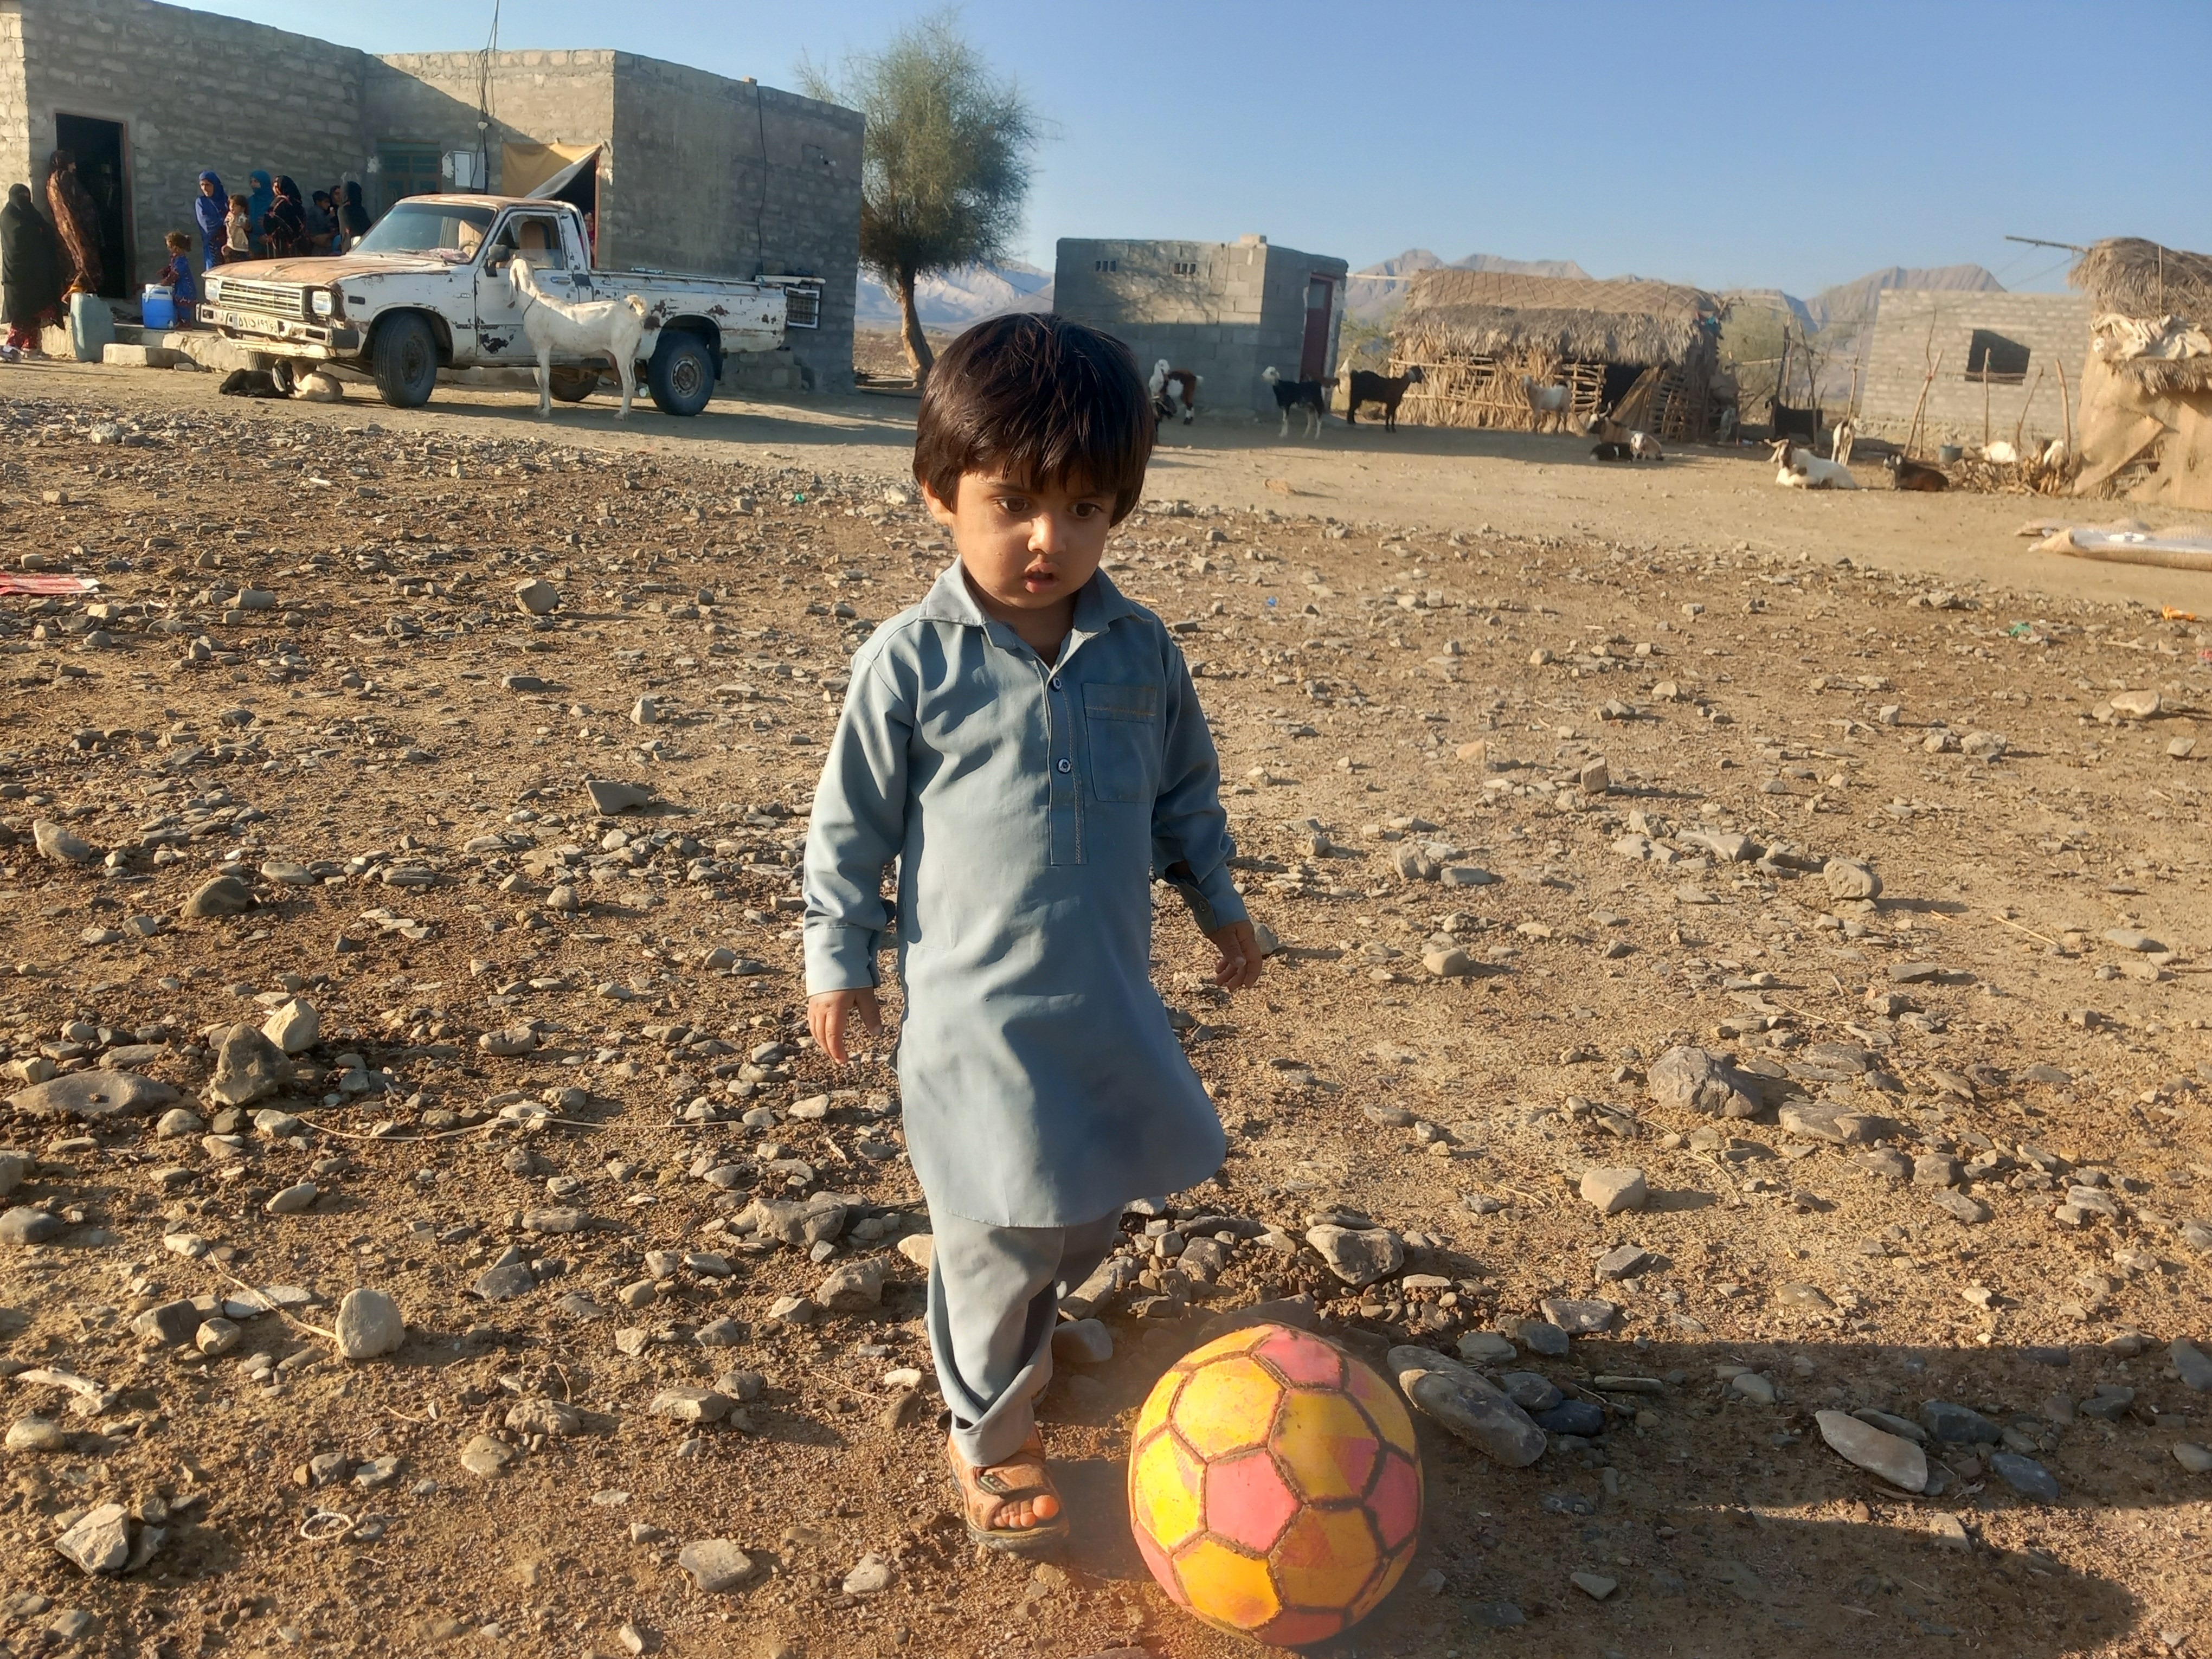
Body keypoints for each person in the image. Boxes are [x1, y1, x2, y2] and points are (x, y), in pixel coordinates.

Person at [802, 313, 1263, 1553]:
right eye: (1009, 503)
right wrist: (836, 959)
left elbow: (1182, 799)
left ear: (1118, 510)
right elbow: (847, 830)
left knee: (1077, 1211)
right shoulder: (908, 666)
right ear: (935, 492)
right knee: (994, 1228)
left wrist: (1218, 906)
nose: (1045, 540)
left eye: (1082, 510)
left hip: (1103, 1004)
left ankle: (1015, 1331)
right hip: (975, 1024)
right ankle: (990, 1437)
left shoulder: (1136, 653)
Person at [1, 182, 62, 355]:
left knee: (35, 313)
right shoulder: (8, 216)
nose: (25, 201)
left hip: (36, 275)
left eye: (27, 197)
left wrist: (42, 232)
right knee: (22, 315)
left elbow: (46, 231)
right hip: (17, 276)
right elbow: (19, 239)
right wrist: (38, 233)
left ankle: (32, 348)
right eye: (21, 197)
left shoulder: (31, 214)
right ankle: (10, 348)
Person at [44, 149, 101, 296]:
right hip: (76, 227)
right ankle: (74, 295)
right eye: (71, 163)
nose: (74, 167)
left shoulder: (50, 182)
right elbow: (84, 204)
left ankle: (70, 295)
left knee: (70, 262)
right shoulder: (66, 178)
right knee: (86, 263)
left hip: (62, 230)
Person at [159, 230, 198, 320]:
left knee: (183, 306)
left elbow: (175, 274)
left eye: (170, 248)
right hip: (180, 288)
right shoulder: (176, 259)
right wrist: (165, 271)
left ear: (176, 248)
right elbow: (171, 268)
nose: (169, 250)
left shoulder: (181, 261)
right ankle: (182, 322)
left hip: (185, 289)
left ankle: (186, 323)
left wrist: (166, 282)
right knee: (178, 304)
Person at [264, 176, 306, 258]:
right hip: (300, 246)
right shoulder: (297, 203)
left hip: (282, 243)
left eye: (274, 186)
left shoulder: (279, 202)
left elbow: (269, 221)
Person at [194, 171, 227, 269]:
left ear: (215, 185)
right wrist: (225, 220)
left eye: (208, 185)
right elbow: (207, 225)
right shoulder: (201, 202)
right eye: (202, 185)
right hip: (213, 244)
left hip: (229, 246)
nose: (204, 188)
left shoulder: (226, 201)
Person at [245, 170, 273, 255]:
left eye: (256, 181)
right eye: (251, 182)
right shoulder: (250, 202)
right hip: (254, 246)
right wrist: (256, 239)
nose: (253, 184)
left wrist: (268, 237)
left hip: (273, 246)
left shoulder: (275, 202)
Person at [337, 181, 370, 250]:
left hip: (363, 246)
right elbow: (351, 231)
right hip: (351, 248)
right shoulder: (344, 210)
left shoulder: (360, 209)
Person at [305, 189, 336, 254]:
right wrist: (330, 216)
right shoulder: (318, 212)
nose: (328, 204)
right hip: (318, 240)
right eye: (326, 202)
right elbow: (322, 225)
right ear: (318, 202)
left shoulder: (314, 210)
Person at [224, 194, 252, 262]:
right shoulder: (229, 216)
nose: (232, 207)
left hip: (241, 247)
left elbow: (248, 227)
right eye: (231, 205)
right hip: (231, 244)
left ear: (242, 209)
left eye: (236, 205)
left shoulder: (242, 217)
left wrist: (245, 226)